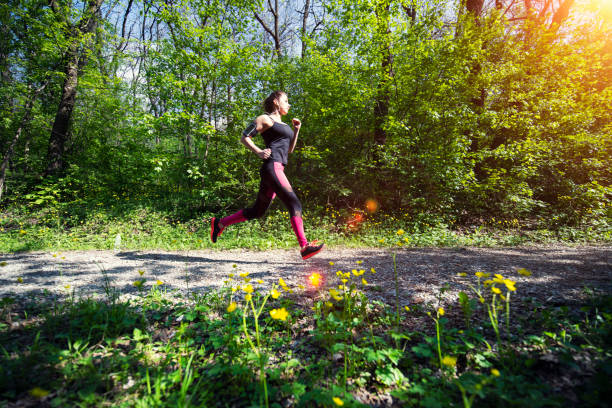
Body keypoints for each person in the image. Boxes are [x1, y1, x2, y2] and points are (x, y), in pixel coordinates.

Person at [210, 91, 324, 260]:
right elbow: (244, 137)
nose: (289, 104)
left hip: (277, 169)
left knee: (257, 211)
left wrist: (296, 130)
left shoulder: (284, 125)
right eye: (286, 100)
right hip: (273, 167)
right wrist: (258, 151)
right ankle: (304, 246)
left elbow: (289, 150)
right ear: (276, 102)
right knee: (295, 204)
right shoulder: (265, 119)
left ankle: (220, 223)